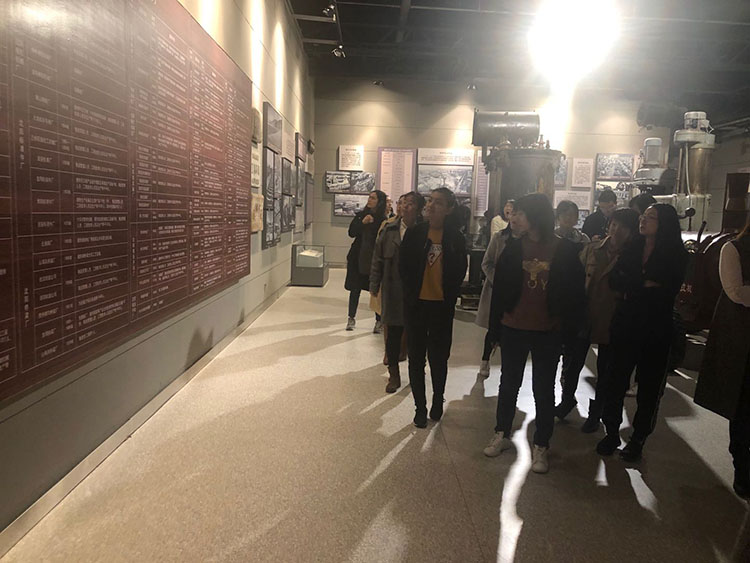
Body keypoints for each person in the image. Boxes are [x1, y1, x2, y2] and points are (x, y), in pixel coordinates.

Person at [483, 193, 585, 474]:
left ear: (535, 216)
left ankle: (541, 443)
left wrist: (570, 333)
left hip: (547, 330)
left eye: (521, 213)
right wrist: (495, 329)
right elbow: (500, 291)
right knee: (508, 384)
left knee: (543, 388)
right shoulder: (513, 248)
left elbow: (575, 296)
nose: (515, 218)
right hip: (513, 326)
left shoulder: (565, 250)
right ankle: (501, 432)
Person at [597, 203, 688, 461]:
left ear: (664, 223)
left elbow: (668, 289)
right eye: (644, 216)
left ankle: (638, 438)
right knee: (614, 381)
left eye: (650, 217)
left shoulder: (676, 254)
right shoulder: (633, 247)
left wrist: (634, 284)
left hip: (656, 327)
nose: (643, 220)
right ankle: (611, 432)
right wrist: (644, 283)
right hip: (626, 323)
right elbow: (615, 280)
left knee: (649, 388)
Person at [399, 187, 468, 428]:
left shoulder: (455, 238)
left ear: (449, 209)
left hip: (441, 307)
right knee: (416, 358)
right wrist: (409, 295)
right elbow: (404, 267)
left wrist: (449, 295)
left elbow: (459, 270)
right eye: (430, 201)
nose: (431, 205)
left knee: (439, 358)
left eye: (438, 202)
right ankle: (420, 407)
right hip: (417, 306)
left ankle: (438, 398)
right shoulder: (415, 233)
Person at [567, 208, 640, 431]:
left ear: (631, 232)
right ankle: (566, 400)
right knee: (572, 363)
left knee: (605, 371)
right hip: (586, 314)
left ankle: (595, 413)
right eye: (614, 224)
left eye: (623, 227)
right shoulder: (592, 249)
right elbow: (575, 277)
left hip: (612, 318)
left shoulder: (632, 257)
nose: (616, 230)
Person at [694, 217, 750, 498]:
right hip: (740, 335)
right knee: (742, 404)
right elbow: (735, 292)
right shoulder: (734, 248)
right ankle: (742, 466)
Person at [370, 192, 425, 393]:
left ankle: (417, 374)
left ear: (419, 209)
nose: (404, 207)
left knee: (416, 337)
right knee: (392, 336)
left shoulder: (425, 232)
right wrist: (374, 285)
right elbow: (377, 258)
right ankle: (393, 374)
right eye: (403, 203)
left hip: (417, 293)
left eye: (410, 204)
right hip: (392, 290)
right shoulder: (389, 230)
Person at [476, 201, 517, 378]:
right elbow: (486, 263)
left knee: (511, 332)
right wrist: (499, 281)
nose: (514, 218)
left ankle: (507, 369)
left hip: (516, 293)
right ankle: (485, 360)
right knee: (493, 328)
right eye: (513, 214)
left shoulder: (527, 241)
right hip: (496, 291)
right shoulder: (500, 237)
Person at [345, 190, 387, 332]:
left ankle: (378, 321)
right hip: (358, 258)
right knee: (355, 289)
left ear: (379, 202)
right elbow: (351, 233)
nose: (370, 200)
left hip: (374, 260)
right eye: (369, 197)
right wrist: (362, 223)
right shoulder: (361, 215)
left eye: (373, 198)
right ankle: (351, 318)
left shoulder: (383, 220)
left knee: (375, 291)